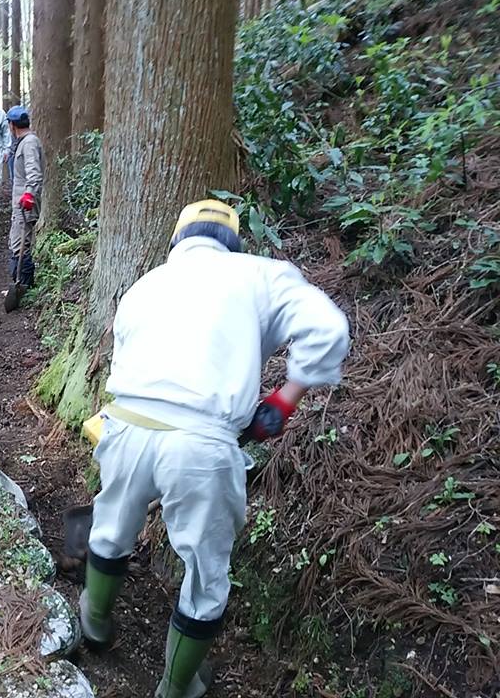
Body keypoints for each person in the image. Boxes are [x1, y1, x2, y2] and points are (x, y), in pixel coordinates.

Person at [79, 199, 350, 698]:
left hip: (126, 428)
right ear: (234, 242)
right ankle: (176, 687)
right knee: (206, 577)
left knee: (111, 528)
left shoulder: (145, 285)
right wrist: (285, 399)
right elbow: (328, 327)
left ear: (178, 242)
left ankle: (94, 623)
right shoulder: (261, 275)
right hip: (203, 445)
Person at [6, 105, 42, 288]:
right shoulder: (21, 143)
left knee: (21, 246)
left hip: (25, 202)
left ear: (12, 125)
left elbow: (34, 173)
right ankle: (21, 284)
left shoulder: (29, 143)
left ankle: (24, 289)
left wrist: (29, 194)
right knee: (16, 243)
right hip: (20, 202)